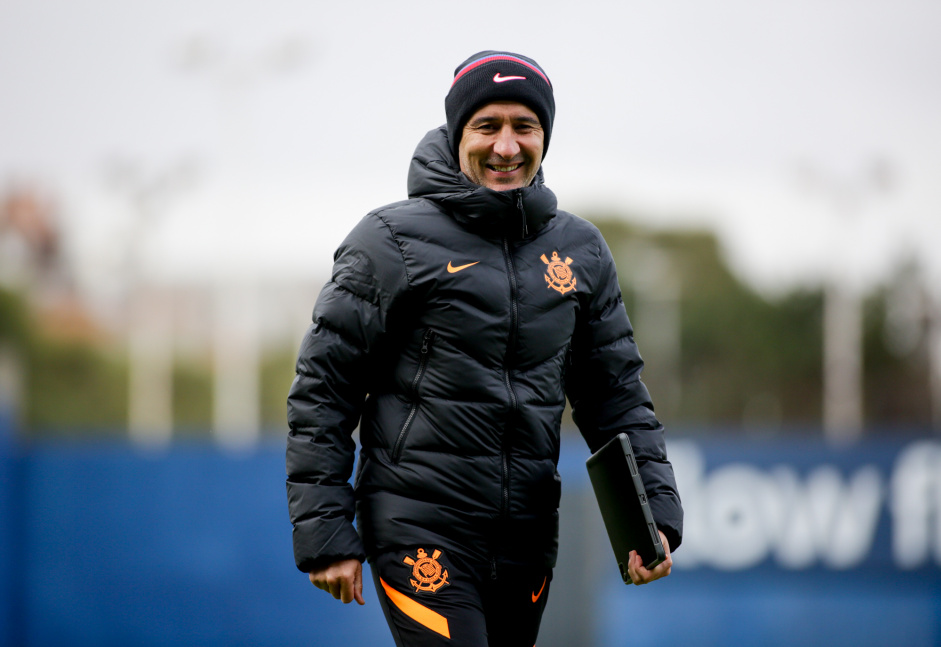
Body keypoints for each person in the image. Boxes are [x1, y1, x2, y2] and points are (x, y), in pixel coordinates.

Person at [286, 50, 683, 647]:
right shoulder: (390, 240)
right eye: (487, 126)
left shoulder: (581, 250)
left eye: (524, 127)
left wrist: (649, 519)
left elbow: (615, 396)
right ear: (456, 134)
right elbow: (323, 391)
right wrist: (326, 534)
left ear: (544, 136)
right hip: (419, 530)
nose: (506, 146)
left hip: (526, 540)